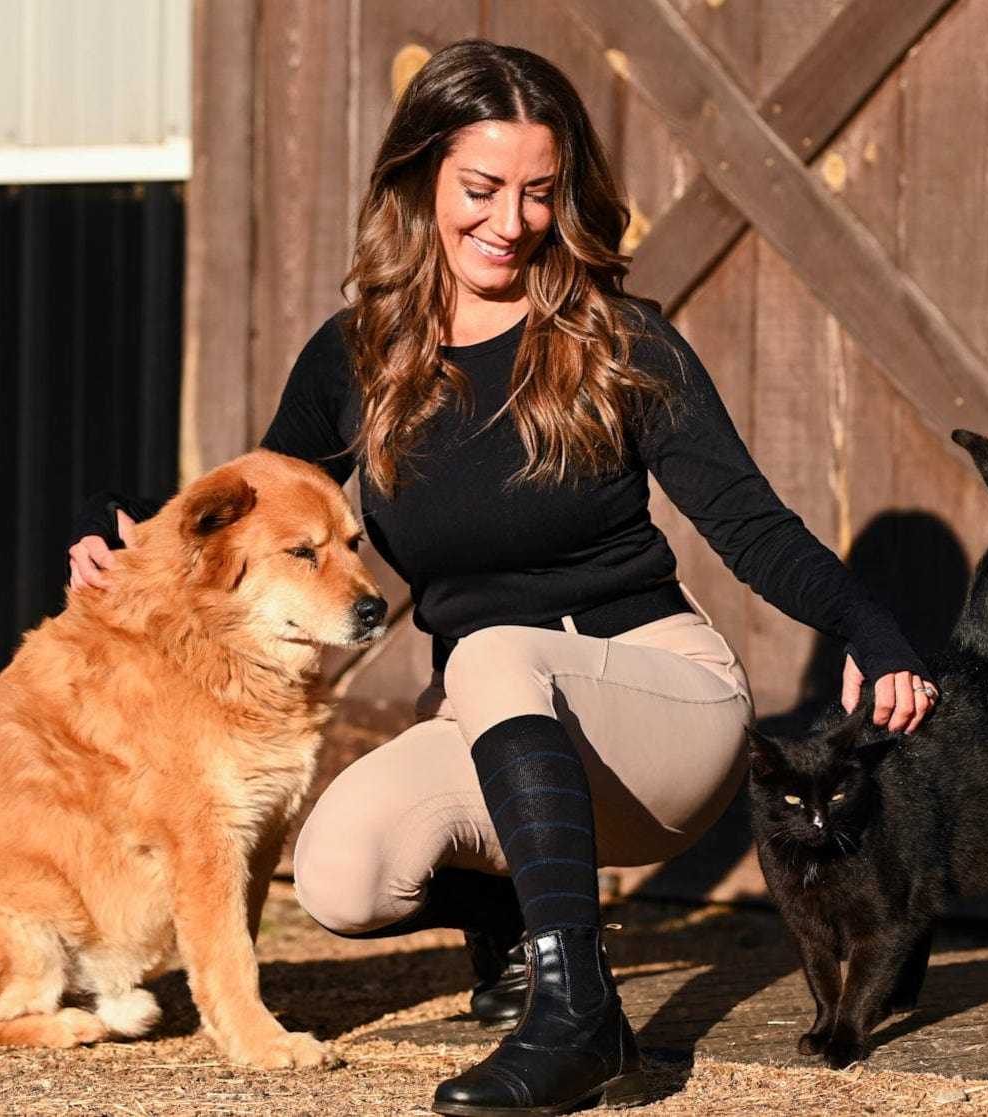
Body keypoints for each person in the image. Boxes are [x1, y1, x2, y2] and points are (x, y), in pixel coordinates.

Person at [69, 39, 938, 1117]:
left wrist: (871, 625)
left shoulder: (621, 343)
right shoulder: (357, 356)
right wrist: (134, 546)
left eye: (539, 193)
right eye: (481, 188)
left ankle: (580, 1022)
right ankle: (516, 920)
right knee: (343, 873)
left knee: (487, 649)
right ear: (422, 179)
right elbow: (260, 503)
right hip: (500, 721)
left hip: (654, 707)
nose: (511, 219)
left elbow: (752, 527)